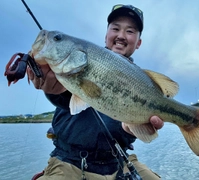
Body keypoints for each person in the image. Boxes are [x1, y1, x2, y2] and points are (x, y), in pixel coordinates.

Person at [29, 4, 164, 180]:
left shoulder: (143, 82)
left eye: (130, 31)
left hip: (120, 163)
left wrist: (132, 130)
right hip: (69, 163)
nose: (121, 35)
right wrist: (52, 89)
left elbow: (133, 131)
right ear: (106, 35)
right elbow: (62, 96)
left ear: (138, 42)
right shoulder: (80, 64)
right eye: (115, 28)